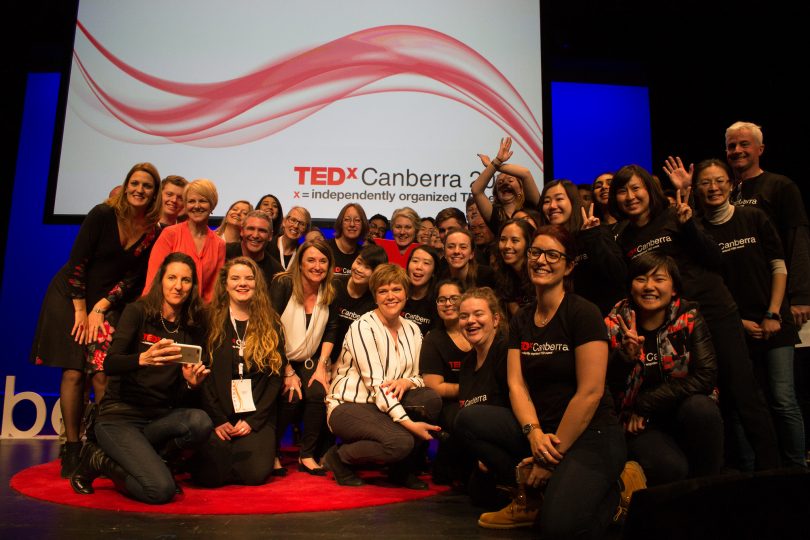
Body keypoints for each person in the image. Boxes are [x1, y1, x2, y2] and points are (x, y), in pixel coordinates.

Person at [610, 164, 779, 470]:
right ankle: (728, 473)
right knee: (711, 404)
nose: (630, 196)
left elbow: (715, 259)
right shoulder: (623, 237)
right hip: (671, 323)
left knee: (744, 394)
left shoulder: (677, 215)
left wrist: (689, 226)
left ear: (650, 189)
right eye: (622, 190)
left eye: (636, 188)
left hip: (713, 311)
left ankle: (774, 473)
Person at [478, 225, 625, 535]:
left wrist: (549, 459)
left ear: (569, 265)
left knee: (556, 526)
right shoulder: (521, 318)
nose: (541, 260)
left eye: (552, 255)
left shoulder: (583, 313)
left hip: (589, 432)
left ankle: (620, 492)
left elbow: (590, 392)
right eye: (535, 252)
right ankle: (531, 496)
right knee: (469, 420)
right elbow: (516, 384)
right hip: (542, 429)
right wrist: (533, 434)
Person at [31, 162, 162, 478]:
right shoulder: (101, 215)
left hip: (103, 302)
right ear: (126, 184)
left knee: (102, 374)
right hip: (70, 297)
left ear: (154, 192)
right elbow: (77, 263)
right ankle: (72, 449)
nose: (139, 190)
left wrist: (101, 307)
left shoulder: (151, 231)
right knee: (75, 371)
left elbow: (132, 278)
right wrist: (81, 310)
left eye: (146, 185)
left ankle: (101, 445)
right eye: (135, 183)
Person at [70, 252, 212, 504]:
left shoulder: (193, 324)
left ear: (193, 286)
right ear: (160, 280)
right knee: (160, 491)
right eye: (172, 278)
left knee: (200, 422)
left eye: (186, 280)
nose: (178, 286)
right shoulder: (138, 312)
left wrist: (191, 383)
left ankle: (154, 460)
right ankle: (97, 459)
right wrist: (142, 359)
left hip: (158, 418)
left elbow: (183, 394)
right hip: (120, 416)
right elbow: (111, 363)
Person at [694, 159, 805, 468]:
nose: (713, 187)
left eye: (719, 180)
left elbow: (778, 267)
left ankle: (797, 468)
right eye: (705, 182)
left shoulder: (754, 217)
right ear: (696, 189)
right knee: (741, 403)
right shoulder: (698, 231)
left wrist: (773, 313)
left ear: (732, 185)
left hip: (774, 320)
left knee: (783, 400)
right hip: (733, 328)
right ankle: (749, 473)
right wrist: (738, 323)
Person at [605, 253, 723, 485]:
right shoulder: (614, 323)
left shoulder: (689, 318)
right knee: (671, 468)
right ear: (630, 286)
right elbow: (605, 386)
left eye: (659, 279)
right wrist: (624, 357)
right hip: (636, 424)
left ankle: (709, 494)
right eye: (641, 279)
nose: (649, 287)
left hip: (682, 410)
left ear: (675, 289)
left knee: (702, 408)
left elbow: (706, 377)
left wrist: (646, 403)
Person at [324, 264, 442, 489]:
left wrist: (407, 381)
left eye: (396, 289)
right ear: (375, 296)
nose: (390, 296)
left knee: (430, 400)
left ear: (406, 294)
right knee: (401, 441)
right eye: (383, 291)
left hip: (384, 404)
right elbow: (377, 385)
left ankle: (400, 471)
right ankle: (338, 457)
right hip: (350, 405)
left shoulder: (412, 329)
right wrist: (408, 423)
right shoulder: (363, 327)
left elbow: (419, 377)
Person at [193, 257, 285, 486]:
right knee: (209, 478)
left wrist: (253, 421)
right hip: (219, 413)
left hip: (255, 416)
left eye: (248, 278)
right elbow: (202, 376)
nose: (242, 284)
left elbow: (275, 379)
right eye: (235, 278)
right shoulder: (209, 320)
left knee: (254, 474)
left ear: (257, 284)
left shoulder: (270, 322)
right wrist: (217, 419)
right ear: (225, 284)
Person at [271, 239, 337, 475]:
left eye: (323, 261)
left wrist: (322, 366)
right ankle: (272, 452)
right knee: (291, 395)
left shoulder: (329, 288)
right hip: (276, 357)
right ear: (299, 263)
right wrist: (287, 371)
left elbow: (332, 328)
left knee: (318, 392)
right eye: (311, 260)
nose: (317, 266)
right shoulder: (284, 284)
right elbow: (270, 329)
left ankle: (306, 455)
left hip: (310, 360)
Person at [447, 287, 511, 497]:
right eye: (464, 316)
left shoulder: (506, 352)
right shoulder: (467, 366)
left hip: (513, 443)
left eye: (478, 314)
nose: (470, 321)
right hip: (483, 450)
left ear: (495, 319)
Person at [539, 179, 626, 315]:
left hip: (604, 320)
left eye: (559, 199)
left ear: (573, 202)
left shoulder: (595, 231)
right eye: (546, 201)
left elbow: (618, 274)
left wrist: (591, 237)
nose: (552, 206)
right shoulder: (547, 243)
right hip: (568, 320)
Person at [420, 279, 472, 484]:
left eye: (454, 298)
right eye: (442, 300)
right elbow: (435, 387)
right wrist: (472, 392)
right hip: (450, 404)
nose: (448, 303)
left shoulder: (478, 330)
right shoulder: (433, 339)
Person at [144, 179, 225, 303]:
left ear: (212, 205)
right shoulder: (170, 234)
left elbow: (213, 291)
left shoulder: (219, 244)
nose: (197, 206)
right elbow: (153, 280)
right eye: (191, 201)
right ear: (186, 206)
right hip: (162, 310)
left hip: (199, 315)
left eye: (202, 201)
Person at [471, 136, 541, 238]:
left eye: (510, 180)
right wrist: (496, 161)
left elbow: (525, 173)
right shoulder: (494, 215)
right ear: (496, 194)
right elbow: (476, 190)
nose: (504, 183)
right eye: (500, 182)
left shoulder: (530, 206)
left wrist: (495, 164)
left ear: (521, 189)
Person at [225, 210, 284, 288]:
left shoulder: (276, 272)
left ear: (270, 236)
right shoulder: (223, 253)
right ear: (242, 231)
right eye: (251, 229)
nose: (255, 235)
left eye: (262, 230)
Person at [492, 218, 535, 317]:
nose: (507, 246)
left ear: (528, 243)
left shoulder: (538, 274)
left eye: (515, 240)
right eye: (503, 240)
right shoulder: (504, 276)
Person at [402, 245, 441, 336]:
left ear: (434, 272)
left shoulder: (438, 302)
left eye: (426, 263)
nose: (419, 267)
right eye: (415, 261)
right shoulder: (398, 294)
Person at [327, 203, 369, 276]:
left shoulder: (364, 255)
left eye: (357, 220)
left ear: (363, 225)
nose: (352, 224)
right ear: (340, 223)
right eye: (347, 220)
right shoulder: (326, 248)